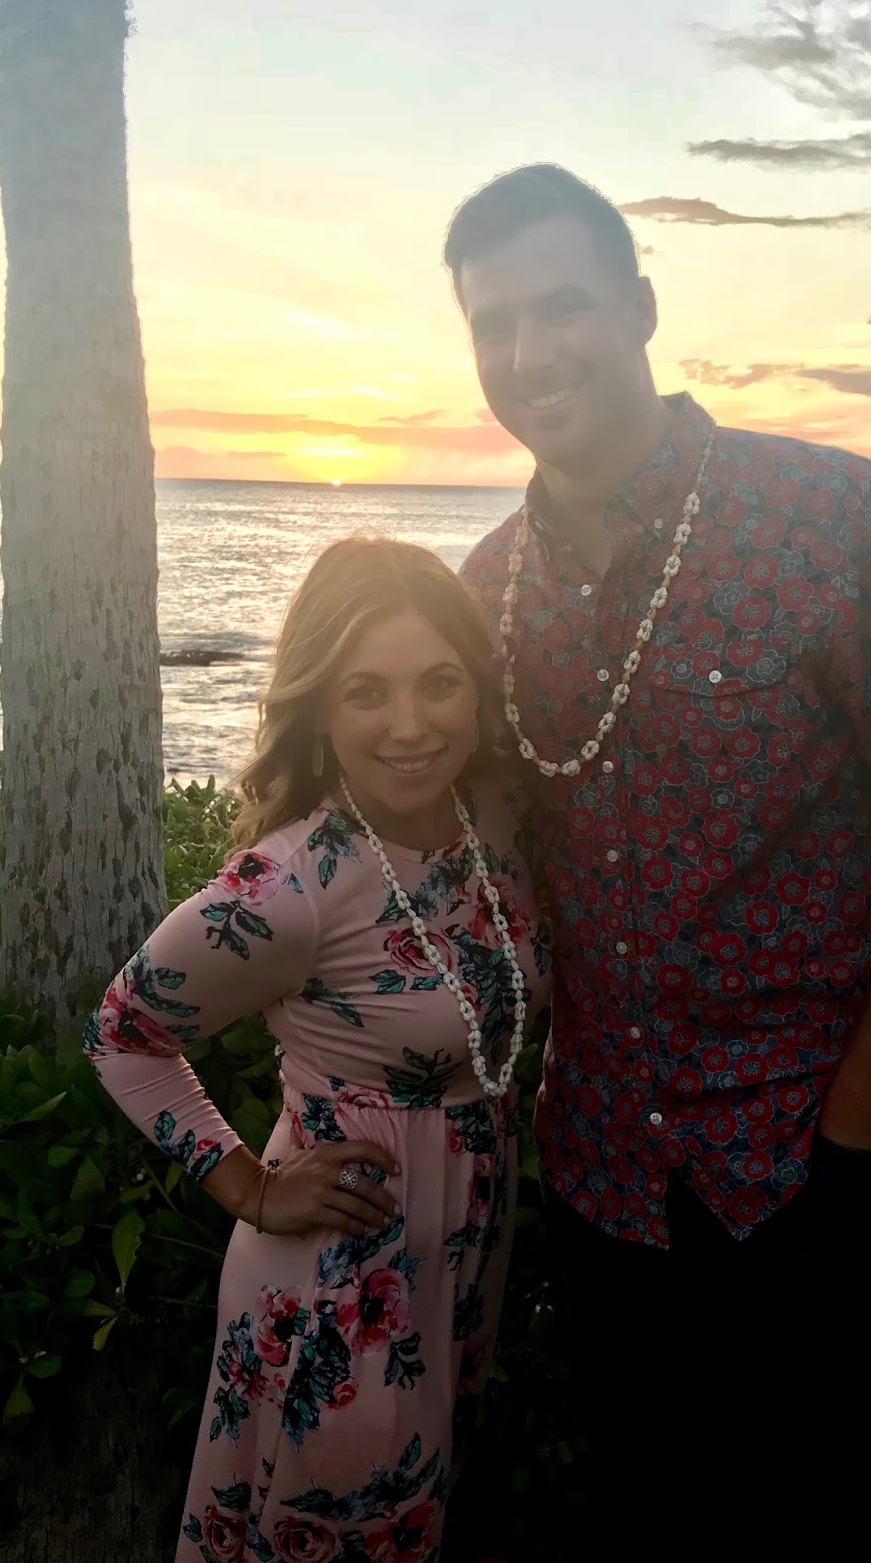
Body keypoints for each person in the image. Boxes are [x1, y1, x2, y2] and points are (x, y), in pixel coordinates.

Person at [447, 164, 871, 1557]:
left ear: (641, 308)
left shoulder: (842, 522)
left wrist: (863, 1117)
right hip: (604, 1178)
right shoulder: (484, 587)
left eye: (562, 306)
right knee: (653, 1517)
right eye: (492, 323)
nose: (529, 353)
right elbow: (476, 847)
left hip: (811, 1159)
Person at [83, 537, 552, 1563]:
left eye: (439, 682)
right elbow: (122, 1034)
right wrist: (250, 1188)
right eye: (366, 692)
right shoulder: (288, 888)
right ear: (321, 710)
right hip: (345, 1278)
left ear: (479, 688)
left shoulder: (498, 816)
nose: (411, 725)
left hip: (464, 1252)